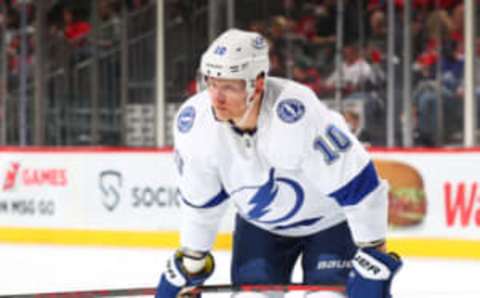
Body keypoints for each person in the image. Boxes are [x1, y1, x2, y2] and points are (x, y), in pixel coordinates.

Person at [155, 29, 401, 298]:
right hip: (260, 228)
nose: (216, 98)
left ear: (257, 84)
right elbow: (201, 203)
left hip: (329, 223)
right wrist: (191, 264)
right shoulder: (195, 124)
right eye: (211, 83)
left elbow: (359, 185)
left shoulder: (295, 115)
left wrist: (373, 255)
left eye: (229, 86)